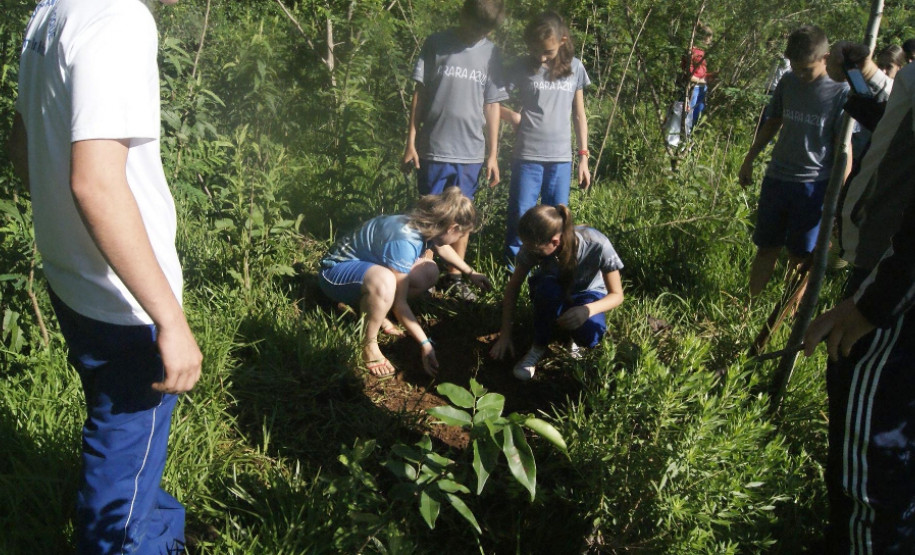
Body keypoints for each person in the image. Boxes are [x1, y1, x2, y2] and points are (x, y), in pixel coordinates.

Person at [9, 0, 202, 553]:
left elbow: (22, 149)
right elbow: (95, 184)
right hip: (125, 303)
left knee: (128, 440)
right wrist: (169, 318)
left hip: (73, 278)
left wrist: (67, 239)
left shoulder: (50, 13)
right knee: (122, 452)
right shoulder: (117, 19)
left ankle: (160, 535)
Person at [803, 47, 910, 553]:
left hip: (892, 274)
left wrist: (875, 301)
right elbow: (896, 126)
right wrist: (857, 81)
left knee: (871, 468)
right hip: (884, 266)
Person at [319, 188, 491, 377]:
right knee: (385, 281)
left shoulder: (427, 226)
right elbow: (400, 304)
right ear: (452, 228)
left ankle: (374, 308)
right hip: (334, 273)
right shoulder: (404, 241)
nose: (459, 239)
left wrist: (470, 272)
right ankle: (369, 345)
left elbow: (442, 248)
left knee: (428, 271)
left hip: (364, 270)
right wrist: (425, 344)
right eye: (462, 234)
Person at [401, 0, 508, 301]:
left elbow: (493, 105)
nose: (478, 34)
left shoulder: (491, 53)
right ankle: (423, 276)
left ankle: (456, 277)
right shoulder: (437, 44)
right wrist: (410, 141)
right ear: (463, 15)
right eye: (475, 26)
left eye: (485, 30)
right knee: (428, 217)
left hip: (471, 153)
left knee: (461, 219)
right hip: (434, 148)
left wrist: (492, 154)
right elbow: (419, 94)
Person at [738, 25, 851, 299]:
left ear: (825, 58)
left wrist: (841, 197)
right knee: (767, 247)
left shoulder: (841, 92)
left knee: (800, 256)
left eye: (806, 69)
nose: (800, 74)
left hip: (813, 185)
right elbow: (773, 121)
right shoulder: (788, 81)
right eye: (795, 67)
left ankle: (787, 316)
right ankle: (750, 306)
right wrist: (750, 158)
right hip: (778, 178)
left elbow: (843, 149)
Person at [498, 11, 591, 271]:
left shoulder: (576, 68)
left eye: (547, 52)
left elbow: (579, 114)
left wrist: (583, 157)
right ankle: (513, 269)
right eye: (535, 50)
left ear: (562, 40)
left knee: (558, 217)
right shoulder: (521, 66)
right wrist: (513, 116)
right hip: (527, 155)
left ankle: (552, 269)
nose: (540, 57)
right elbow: (491, 100)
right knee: (521, 213)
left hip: (561, 158)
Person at [489, 205, 623, 381]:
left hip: (588, 292)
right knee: (546, 291)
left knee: (591, 334)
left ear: (555, 242)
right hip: (553, 287)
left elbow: (617, 295)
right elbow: (513, 287)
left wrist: (587, 310)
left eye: (536, 250)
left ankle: (574, 340)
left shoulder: (598, 244)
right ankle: (538, 345)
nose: (529, 252)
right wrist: (505, 334)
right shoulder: (532, 246)